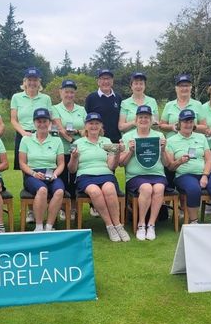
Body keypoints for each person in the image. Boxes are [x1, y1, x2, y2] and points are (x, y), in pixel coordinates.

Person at [68, 112, 130, 242]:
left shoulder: (106, 141)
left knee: (109, 189)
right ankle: (110, 226)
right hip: (85, 176)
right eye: (91, 123)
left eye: (97, 123)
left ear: (101, 126)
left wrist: (117, 153)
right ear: (86, 126)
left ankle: (118, 225)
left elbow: (112, 166)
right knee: (95, 191)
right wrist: (73, 158)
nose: (94, 126)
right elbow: (72, 169)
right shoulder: (78, 142)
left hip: (106, 174)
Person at [165, 109, 211, 224]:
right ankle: (194, 222)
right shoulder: (171, 141)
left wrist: (205, 175)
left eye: (190, 122)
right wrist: (179, 161)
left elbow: (209, 159)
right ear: (179, 123)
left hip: (204, 173)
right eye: (185, 122)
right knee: (193, 189)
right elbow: (170, 167)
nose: (188, 124)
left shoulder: (201, 137)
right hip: (184, 175)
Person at [120, 105, 168, 241]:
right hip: (135, 176)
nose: (143, 120)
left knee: (159, 188)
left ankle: (151, 224)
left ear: (151, 120)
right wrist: (130, 151)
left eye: (146, 117)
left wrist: (163, 150)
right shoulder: (128, 136)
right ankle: (141, 224)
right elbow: (121, 163)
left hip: (157, 174)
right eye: (140, 117)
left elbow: (166, 163)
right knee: (146, 188)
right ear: (136, 119)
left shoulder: (159, 135)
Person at [18, 108, 65, 231]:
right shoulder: (26, 139)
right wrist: (33, 173)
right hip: (33, 174)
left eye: (45, 121)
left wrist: (55, 174)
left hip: (51, 173)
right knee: (42, 189)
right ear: (34, 122)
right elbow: (22, 163)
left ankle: (49, 226)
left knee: (59, 191)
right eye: (39, 121)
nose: (42, 124)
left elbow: (61, 164)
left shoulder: (56, 140)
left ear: (49, 122)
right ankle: (39, 226)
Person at [52, 79, 87, 221]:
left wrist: (77, 131)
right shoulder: (55, 109)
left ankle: (72, 208)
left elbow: (86, 129)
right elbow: (60, 129)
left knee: (74, 181)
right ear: (61, 92)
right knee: (61, 180)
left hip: (77, 152)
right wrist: (73, 140)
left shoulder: (82, 110)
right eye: (66, 91)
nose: (69, 94)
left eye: (72, 92)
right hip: (61, 150)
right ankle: (61, 208)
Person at [10, 67, 54, 171]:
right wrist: (23, 133)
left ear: (39, 83)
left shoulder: (46, 98)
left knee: (42, 164)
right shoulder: (16, 97)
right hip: (23, 135)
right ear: (24, 82)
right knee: (24, 167)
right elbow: (13, 120)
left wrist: (48, 131)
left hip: (42, 134)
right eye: (29, 80)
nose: (32, 83)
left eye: (35, 80)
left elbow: (50, 119)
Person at [159, 74, 203, 139]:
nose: (184, 88)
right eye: (181, 86)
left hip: (193, 144)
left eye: (187, 86)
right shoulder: (169, 105)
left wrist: (191, 126)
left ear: (191, 87)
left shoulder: (198, 104)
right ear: (176, 88)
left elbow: (204, 127)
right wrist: (171, 127)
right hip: (172, 145)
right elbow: (161, 126)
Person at [85, 69, 123, 143]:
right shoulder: (91, 98)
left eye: (108, 78)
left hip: (115, 140)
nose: (106, 81)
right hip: (97, 140)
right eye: (103, 79)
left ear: (112, 81)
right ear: (98, 81)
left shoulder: (118, 98)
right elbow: (86, 120)